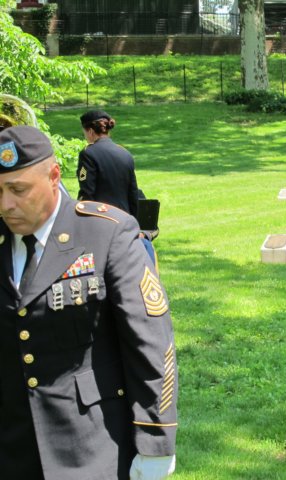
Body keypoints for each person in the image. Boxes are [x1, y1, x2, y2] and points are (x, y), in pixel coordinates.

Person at [0, 125, 177, 479]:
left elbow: (150, 342)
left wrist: (155, 440)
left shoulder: (107, 232)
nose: (6, 205)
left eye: (18, 190)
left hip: (92, 445)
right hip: (11, 447)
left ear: (53, 177)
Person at [77, 110, 139, 217]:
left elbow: (87, 193)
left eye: (84, 133)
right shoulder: (125, 153)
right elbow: (133, 194)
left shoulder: (88, 154)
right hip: (124, 219)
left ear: (90, 131)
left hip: (102, 219)